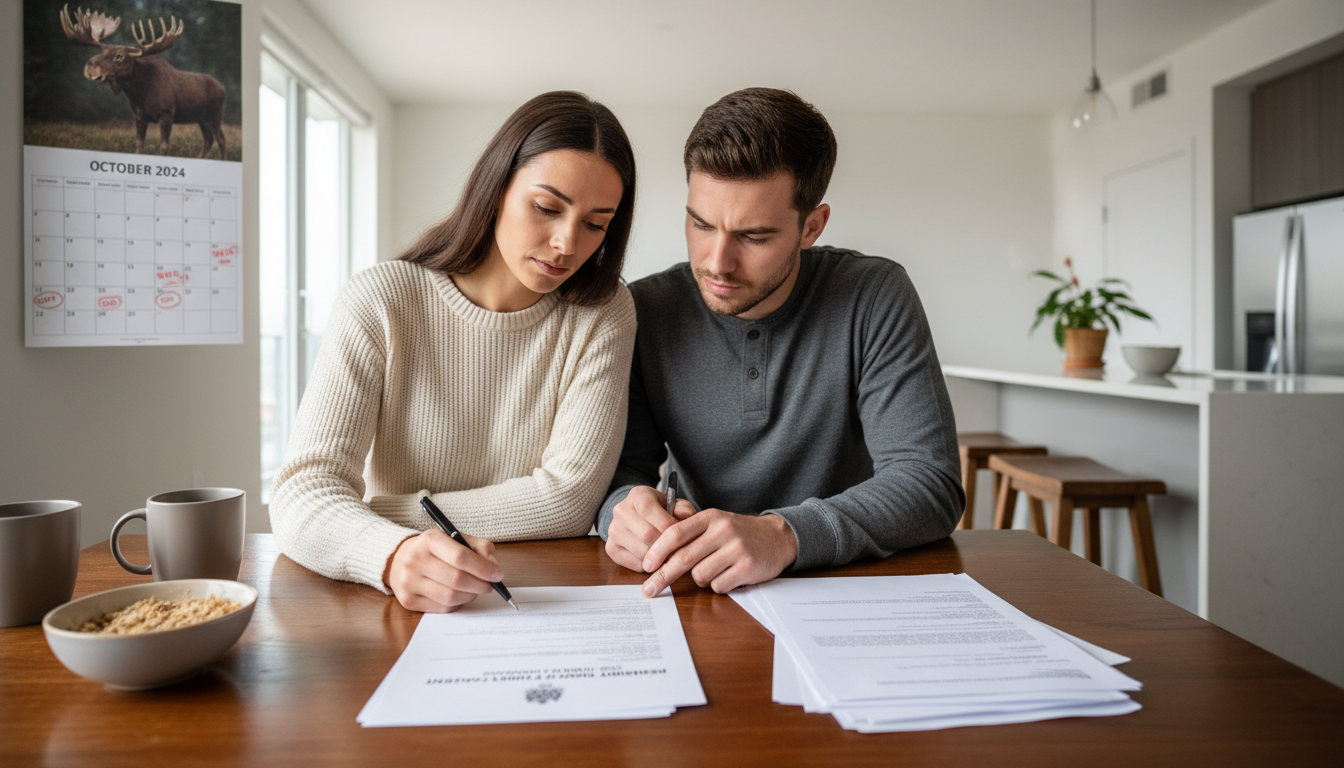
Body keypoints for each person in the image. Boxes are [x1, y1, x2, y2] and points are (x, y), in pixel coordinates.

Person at [271, 92, 638, 613]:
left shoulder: (603, 311)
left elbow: (568, 501)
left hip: (545, 597)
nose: (566, 243)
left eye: (595, 224)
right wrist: (393, 554)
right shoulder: (383, 300)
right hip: (404, 601)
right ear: (495, 192)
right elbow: (301, 492)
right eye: (547, 208)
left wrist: (377, 513)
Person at [598, 88, 963, 598]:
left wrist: (783, 535)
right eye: (701, 224)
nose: (717, 262)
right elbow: (621, 472)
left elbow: (929, 483)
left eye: (754, 237)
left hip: (843, 587)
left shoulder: (874, 295)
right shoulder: (645, 309)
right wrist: (622, 509)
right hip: (697, 587)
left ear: (811, 226)